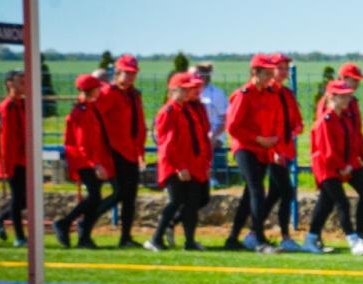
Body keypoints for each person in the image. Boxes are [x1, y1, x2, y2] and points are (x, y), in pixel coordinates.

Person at [302, 80, 363, 255]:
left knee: (326, 203)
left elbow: (353, 142)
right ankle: (353, 241)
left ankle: (310, 239)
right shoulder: (324, 122)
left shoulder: (344, 118)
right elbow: (327, 151)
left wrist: (352, 163)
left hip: (343, 167)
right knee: (342, 203)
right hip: (327, 169)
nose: (347, 99)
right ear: (331, 97)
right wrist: (342, 167)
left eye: (348, 95)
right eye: (342, 96)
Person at [223, 56, 283, 253]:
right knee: (257, 191)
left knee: (249, 194)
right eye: (266, 74)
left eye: (270, 74)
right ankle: (259, 239)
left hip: (263, 150)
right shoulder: (243, 95)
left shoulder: (269, 94)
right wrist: (257, 139)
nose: (270, 78)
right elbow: (232, 127)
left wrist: (273, 148)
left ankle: (232, 238)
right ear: (254, 73)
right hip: (245, 148)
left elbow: (272, 123)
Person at [146, 72, 211, 251]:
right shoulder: (169, 111)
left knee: (192, 203)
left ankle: (189, 241)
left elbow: (199, 137)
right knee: (175, 201)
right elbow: (167, 144)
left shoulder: (187, 109)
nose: (190, 92)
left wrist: (203, 162)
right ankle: (155, 239)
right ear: (174, 90)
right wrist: (179, 166)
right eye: (186, 89)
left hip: (191, 164)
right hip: (176, 166)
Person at [53, 74, 115, 248]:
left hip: (90, 160)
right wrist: (95, 164)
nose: (100, 90)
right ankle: (65, 224)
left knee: (95, 199)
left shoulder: (90, 108)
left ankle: (83, 237)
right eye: (97, 88)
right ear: (90, 90)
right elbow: (83, 143)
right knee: (94, 197)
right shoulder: (82, 112)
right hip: (84, 161)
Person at [95, 54, 146, 248]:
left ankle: (125, 237)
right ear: (117, 72)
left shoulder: (134, 95)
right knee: (120, 193)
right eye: (127, 73)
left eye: (133, 73)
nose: (131, 76)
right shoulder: (108, 93)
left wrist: (140, 151)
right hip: (113, 150)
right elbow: (95, 120)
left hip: (131, 151)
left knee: (130, 197)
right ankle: (87, 222)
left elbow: (139, 124)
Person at [333, 62, 363, 249]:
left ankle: (360, 233)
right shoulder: (329, 103)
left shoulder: (353, 104)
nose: (357, 84)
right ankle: (314, 236)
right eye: (354, 80)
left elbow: (357, 133)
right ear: (343, 79)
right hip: (335, 161)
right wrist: (338, 163)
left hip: (352, 160)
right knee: (331, 201)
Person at [265, 53, 305, 251]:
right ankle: (285, 237)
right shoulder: (266, 93)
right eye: (279, 68)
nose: (283, 72)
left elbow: (297, 120)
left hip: (287, 150)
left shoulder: (287, 94)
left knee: (274, 195)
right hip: (273, 153)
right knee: (287, 192)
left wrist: (297, 127)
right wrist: (273, 150)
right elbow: (265, 126)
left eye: (285, 68)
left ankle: (252, 233)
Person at [0, 70, 27, 246]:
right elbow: (6, 138)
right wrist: (6, 163)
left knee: (25, 198)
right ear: (10, 84)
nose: (25, 85)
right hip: (13, 159)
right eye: (21, 81)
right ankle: (20, 236)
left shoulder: (23, 104)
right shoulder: (7, 107)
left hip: (24, 158)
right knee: (18, 196)